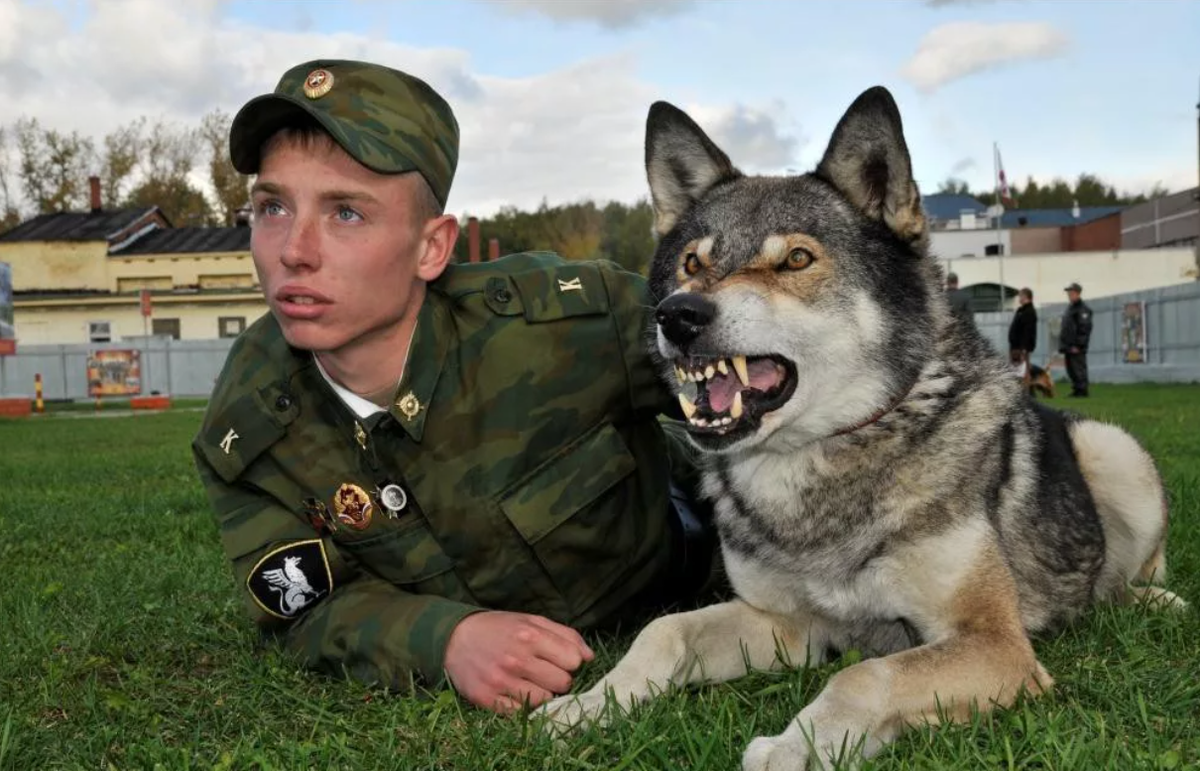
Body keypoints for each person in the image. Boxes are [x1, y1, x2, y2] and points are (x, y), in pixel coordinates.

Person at [191, 59, 717, 716]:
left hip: (682, 546)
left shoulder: (569, 325)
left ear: (431, 248)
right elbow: (306, 605)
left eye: (346, 213)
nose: (293, 250)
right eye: (272, 206)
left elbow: (748, 383)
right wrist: (447, 639)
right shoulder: (250, 425)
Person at [1059, 282, 1093, 397]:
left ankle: (1082, 391)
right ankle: (1076, 389)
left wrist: (1079, 345)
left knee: (1078, 368)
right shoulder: (1070, 308)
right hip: (1068, 346)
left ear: (1077, 293)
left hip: (1076, 347)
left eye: (1071, 292)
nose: (1069, 295)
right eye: (1068, 293)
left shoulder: (1082, 309)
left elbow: (1084, 329)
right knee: (1071, 369)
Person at [1007, 287, 1038, 388]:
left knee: (1023, 371)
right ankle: (1019, 391)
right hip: (1015, 346)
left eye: (1020, 296)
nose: (1019, 298)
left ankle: (1026, 392)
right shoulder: (1021, 310)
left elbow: (1028, 332)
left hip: (1021, 348)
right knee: (1015, 372)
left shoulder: (1029, 311)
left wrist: (1024, 348)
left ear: (1025, 296)